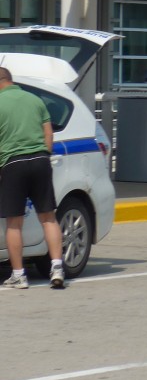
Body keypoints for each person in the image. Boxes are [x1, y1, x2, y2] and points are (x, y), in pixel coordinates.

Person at [0, 66, 66, 289]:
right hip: (40, 161)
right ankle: (57, 268)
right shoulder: (35, 100)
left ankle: (19, 275)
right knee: (48, 218)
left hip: (13, 164)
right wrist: (44, 155)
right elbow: (48, 133)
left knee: (14, 223)